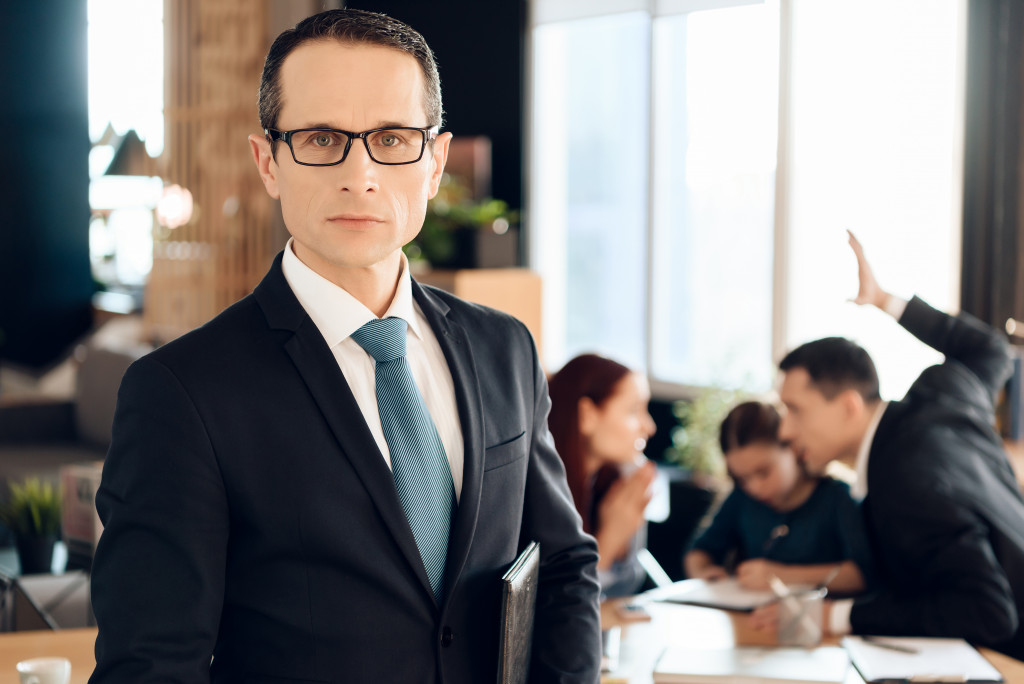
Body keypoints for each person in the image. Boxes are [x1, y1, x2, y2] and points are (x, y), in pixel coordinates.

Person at [88, 9, 601, 683]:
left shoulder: (503, 347)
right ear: (268, 160)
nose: (360, 174)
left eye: (392, 138)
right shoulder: (182, 393)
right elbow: (152, 667)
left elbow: (563, 566)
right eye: (323, 137)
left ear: (435, 160)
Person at [761, 230, 1024, 659]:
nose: (785, 432)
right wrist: (886, 301)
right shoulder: (939, 399)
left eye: (795, 410)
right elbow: (990, 350)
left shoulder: (904, 479)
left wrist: (834, 617)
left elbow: (988, 611)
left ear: (848, 405)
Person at [684, 400, 872, 595]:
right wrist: (703, 572)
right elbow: (698, 552)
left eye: (763, 472)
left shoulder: (839, 498)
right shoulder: (741, 499)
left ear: (793, 448)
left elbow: (862, 575)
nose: (754, 487)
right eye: (742, 478)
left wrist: (783, 575)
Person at [547, 354, 659, 597]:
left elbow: (628, 584)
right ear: (587, 415)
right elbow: (563, 608)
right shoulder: (544, 499)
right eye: (633, 411)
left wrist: (629, 529)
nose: (649, 427)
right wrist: (607, 542)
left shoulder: (611, 485)